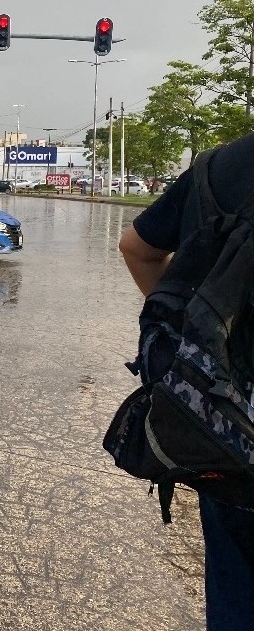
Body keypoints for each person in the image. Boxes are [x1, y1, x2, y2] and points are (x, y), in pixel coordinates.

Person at [119, 134, 254, 631]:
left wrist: (193, 334)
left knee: (236, 587)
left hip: (225, 429)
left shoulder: (219, 167)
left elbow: (136, 247)